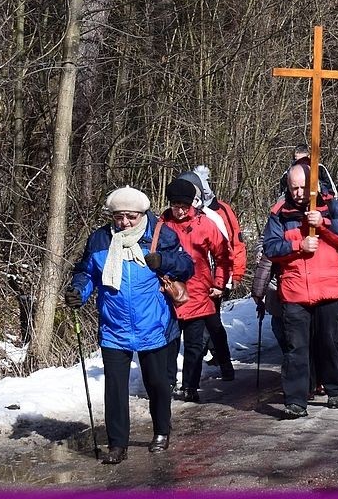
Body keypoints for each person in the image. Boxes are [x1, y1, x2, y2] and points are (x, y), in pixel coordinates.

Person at [64, 186, 194, 464]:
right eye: (119, 217)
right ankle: (117, 444)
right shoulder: (100, 239)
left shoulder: (161, 235)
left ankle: (162, 431)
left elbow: (187, 266)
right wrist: (78, 292)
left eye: (131, 217)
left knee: (158, 383)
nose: (124, 222)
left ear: (142, 214)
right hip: (114, 326)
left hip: (154, 324)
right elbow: (87, 273)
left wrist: (164, 260)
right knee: (115, 389)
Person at [261, 163, 338, 418]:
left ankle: (335, 388)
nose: (298, 193)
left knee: (329, 342)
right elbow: (270, 248)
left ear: (313, 185)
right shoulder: (279, 213)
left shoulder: (331, 206)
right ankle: (296, 400)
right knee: (296, 348)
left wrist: (324, 224)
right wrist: (298, 246)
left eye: (303, 187)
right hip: (295, 291)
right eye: (294, 188)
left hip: (329, 288)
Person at [160, 178, 232, 402]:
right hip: (169, 293)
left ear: (191, 204)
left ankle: (190, 386)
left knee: (194, 345)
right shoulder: (161, 225)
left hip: (198, 291)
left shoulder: (205, 224)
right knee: (169, 343)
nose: (180, 211)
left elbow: (224, 255)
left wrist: (219, 283)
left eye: (184, 206)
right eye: (175, 206)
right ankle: (168, 383)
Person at [178, 165, 240, 380]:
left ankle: (225, 363)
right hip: (183, 283)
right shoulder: (172, 218)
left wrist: (222, 282)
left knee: (213, 324)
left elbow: (224, 251)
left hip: (209, 283)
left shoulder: (211, 217)